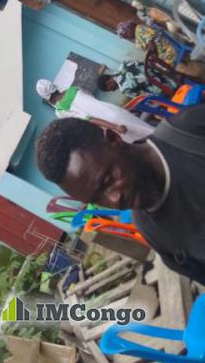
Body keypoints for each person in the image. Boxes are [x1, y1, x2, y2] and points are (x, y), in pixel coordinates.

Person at [35, 105, 205, 284]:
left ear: (114, 139)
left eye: (107, 180)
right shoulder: (152, 230)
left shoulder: (190, 131)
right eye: (96, 199)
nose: (114, 200)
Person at [36, 79, 153, 143]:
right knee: (151, 132)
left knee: (143, 145)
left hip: (111, 126)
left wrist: (115, 127)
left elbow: (89, 119)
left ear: (47, 98)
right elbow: (93, 100)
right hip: (114, 111)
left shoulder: (60, 110)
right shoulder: (74, 89)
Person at [97, 60, 170, 98]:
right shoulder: (124, 63)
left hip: (165, 88)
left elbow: (143, 98)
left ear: (109, 82)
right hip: (165, 73)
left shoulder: (124, 89)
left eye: (110, 89)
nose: (112, 91)